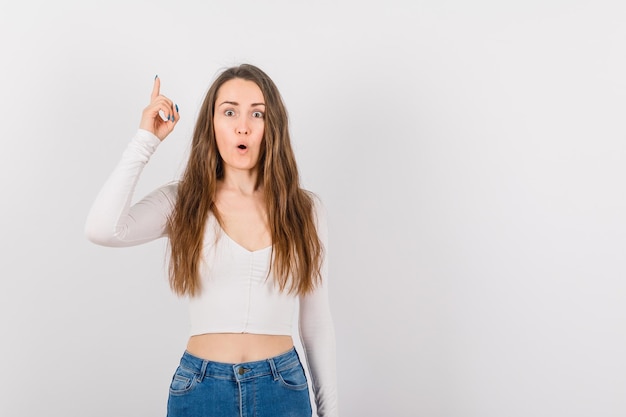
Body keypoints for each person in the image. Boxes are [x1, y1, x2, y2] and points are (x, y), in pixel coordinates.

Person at [85, 64, 338, 417]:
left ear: (272, 126)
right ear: (212, 124)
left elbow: (316, 324)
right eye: (230, 111)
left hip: (282, 389)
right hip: (201, 389)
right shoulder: (183, 201)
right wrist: (145, 140)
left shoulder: (305, 209)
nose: (243, 125)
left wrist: (330, 412)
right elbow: (102, 229)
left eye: (257, 114)